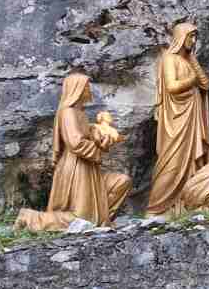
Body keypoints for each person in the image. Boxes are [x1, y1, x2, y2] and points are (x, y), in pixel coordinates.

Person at [15, 73, 131, 232]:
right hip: (76, 168)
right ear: (78, 89)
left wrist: (104, 138)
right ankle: (31, 218)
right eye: (87, 87)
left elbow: (89, 138)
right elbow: (75, 143)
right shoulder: (68, 112)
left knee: (121, 182)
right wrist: (97, 147)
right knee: (80, 217)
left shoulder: (80, 113)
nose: (89, 90)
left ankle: (100, 221)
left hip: (88, 167)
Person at [146, 21, 209, 213]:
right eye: (190, 36)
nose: (193, 40)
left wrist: (193, 61)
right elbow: (172, 86)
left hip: (192, 116)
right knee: (173, 162)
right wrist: (191, 79)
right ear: (181, 37)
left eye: (195, 36)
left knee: (194, 159)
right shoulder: (169, 59)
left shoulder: (187, 60)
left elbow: (206, 84)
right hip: (176, 119)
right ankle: (156, 207)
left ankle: (191, 201)